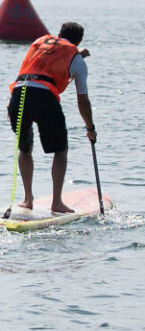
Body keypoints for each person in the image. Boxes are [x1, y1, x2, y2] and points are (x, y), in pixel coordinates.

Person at [8, 21, 97, 214]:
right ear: (79, 41)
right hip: (44, 98)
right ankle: (57, 202)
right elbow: (82, 100)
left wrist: (11, 107)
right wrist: (90, 128)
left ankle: (27, 199)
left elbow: (41, 66)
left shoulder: (40, 42)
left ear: (59, 34)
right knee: (60, 149)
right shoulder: (76, 58)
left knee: (25, 147)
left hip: (19, 94)